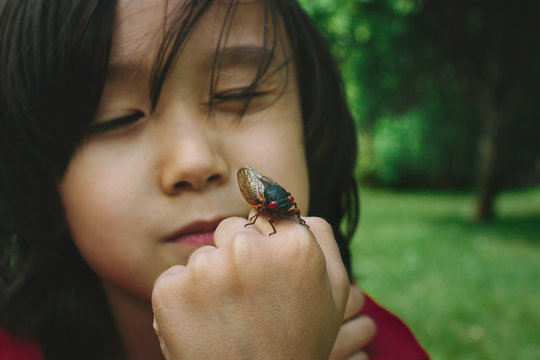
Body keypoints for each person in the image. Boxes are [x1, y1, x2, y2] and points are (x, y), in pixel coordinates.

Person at [0, 0, 429, 359]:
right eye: (115, 118)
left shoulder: (381, 346)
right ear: (39, 182)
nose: (194, 161)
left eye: (239, 93)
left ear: (312, 130)